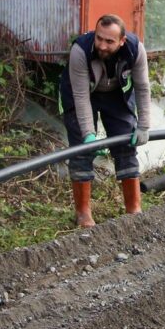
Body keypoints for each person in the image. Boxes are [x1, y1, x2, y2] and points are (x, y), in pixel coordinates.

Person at [59, 14, 151, 227]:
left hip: (115, 94)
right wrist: (89, 134)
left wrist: (144, 125)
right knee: (82, 149)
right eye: (99, 38)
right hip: (79, 94)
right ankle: (83, 214)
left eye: (109, 41)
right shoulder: (80, 50)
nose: (102, 45)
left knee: (126, 142)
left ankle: (134, 208)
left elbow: (143, 87)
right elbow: (81, 96)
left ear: (122, 41)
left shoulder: (135, 50)